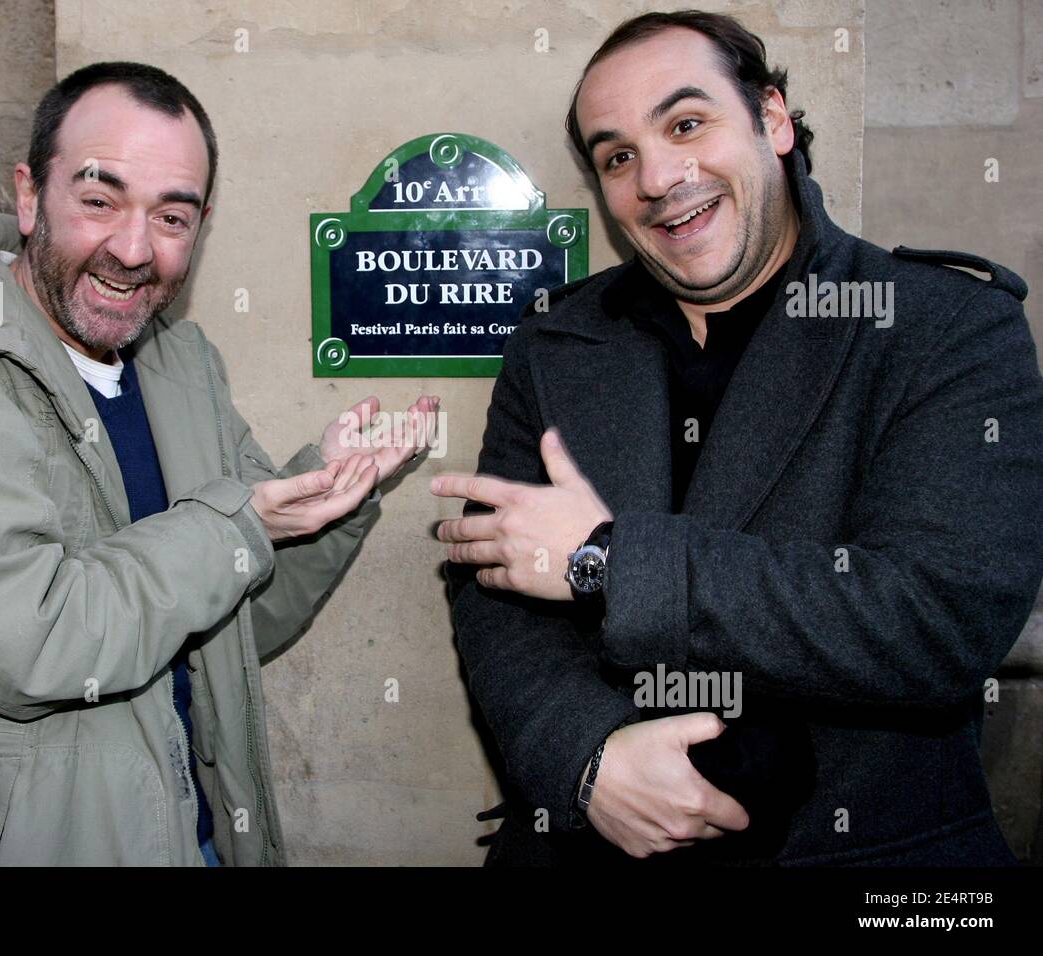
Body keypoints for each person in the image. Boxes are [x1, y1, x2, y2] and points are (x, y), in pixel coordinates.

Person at [0, 61, 437, 866]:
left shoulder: (179, 363)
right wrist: (239, 520)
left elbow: (234, 626)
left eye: (172, 217)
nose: (134, 250)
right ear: (29, 197)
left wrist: (329, 497)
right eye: (100, 201)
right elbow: (29, 642)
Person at [433, 10, 1043, 866]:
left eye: (687, 123)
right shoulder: (557, 345)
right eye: (617, 156)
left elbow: (937, 621)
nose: (658, 177)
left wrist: (607, 559)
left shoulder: (942, 327)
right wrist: (587, 761)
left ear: (774, 119)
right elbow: (492, 585)